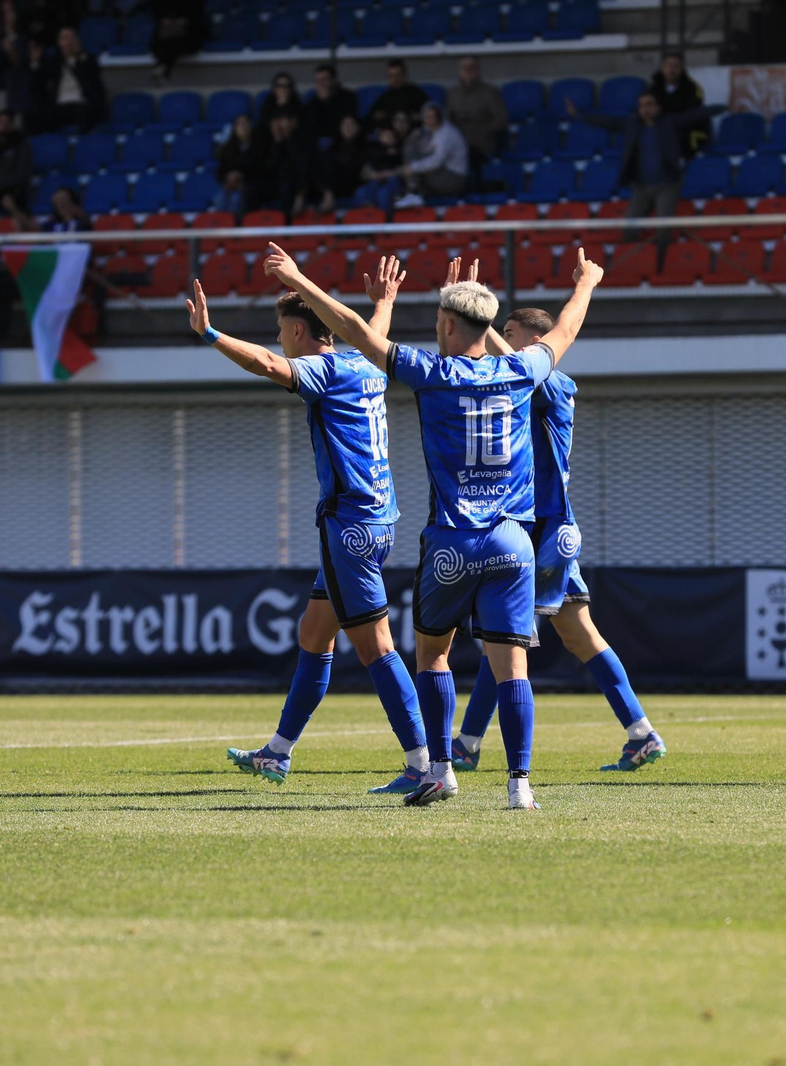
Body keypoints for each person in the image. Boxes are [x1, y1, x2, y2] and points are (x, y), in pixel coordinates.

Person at [263, 241, 606, 809]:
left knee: (432, 654)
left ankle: (439, 770)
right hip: (513, 542)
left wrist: (300, 281)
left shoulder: (431, 373)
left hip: (451, 541)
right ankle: (519, 786)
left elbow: (352, 329)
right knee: (512, 665)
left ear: (446, 323)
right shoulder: (521, 369)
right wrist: (587, 282)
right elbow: (564, 331)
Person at [198, 261, 432, 794]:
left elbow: (265, 365)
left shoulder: (323, 372)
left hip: (348, 525)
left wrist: (210, 334)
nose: (280, 342)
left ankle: (424, 766)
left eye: (283, 333)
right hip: (378, 519)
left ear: (299, 332)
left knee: (375, 647)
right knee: (314, 634)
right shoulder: (365, 363)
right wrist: (385, 300)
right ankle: (278, 753)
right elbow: (375, 332)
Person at [451, 291, 666, 774]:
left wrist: (475, 321)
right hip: (545, 529)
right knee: (579, 635)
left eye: (507, 333)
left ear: (538, 341)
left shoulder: (553, 382)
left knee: (505, 636)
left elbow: (523, 366)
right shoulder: (522, 387)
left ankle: (466, 742)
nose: (501, 342)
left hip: (544, 530)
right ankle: (642, 734)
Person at [568, 92, 692, 243]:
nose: (645, 108)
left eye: (649, 104)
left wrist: (724, 107)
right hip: (642, 187)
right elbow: (607, 121)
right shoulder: (632, 125)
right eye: (642, 105)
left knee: (664, 229)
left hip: (667, 185)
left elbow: (696, 116)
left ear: (658, 107)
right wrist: (578, 114)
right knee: (629, 226)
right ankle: (636, 261)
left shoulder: (669, 123)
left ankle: (663, 263)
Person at [33, 26, 106, 133]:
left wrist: (77, 56)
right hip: (59, 106)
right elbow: (37, 81)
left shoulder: (87, 58)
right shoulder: (53, 62)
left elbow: (93, 74)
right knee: (34, 116)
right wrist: (36, 63)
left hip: (80, 104)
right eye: (64, 38)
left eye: (70, 38)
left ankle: (84, 143)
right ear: (59, 43)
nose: (67, 42)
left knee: (84, 114)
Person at [398, 102, 468, 204]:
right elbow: (425, 152)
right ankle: (413, 193)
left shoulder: (446, 133)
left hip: (454, 179)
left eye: (432, 117)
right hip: (443, 174)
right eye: (426, 117)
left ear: (439, 117)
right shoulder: (433, 131)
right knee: (411, 152)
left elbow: (436, 161)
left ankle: (414, 194)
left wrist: (412, 167)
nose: (429, 121)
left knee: (414, 165)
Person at [446, 56, 507, 171]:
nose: (468, 71)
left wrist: (485, 132)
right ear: (460, 71)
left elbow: (501, 120)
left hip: (482, 142)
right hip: (458, 140)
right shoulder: (453, 94)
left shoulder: (490, 92)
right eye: (464, 67)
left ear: (477, 70)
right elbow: (447, 120)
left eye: (472, 67)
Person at [649, 51, 710, 156]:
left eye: (676, 66)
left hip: (684, 134)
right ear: (662, 67)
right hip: (659, 132)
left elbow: (693, 115)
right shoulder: (652, 89)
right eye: (668, 65)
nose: (672, 69)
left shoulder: (693, 89)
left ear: (682, 68)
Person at [252, 112, 311, 218]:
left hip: (293, 185)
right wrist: (277, 143)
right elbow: (267, 170)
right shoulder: (266, 142)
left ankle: (286, 225)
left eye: (283, 126)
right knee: (252, 188)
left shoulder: (299, 142)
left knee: (286, 187)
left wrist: (300, 194)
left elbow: (301, 166)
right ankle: (255, 222)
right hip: (272, 183)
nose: (279, 128)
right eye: (276, 125)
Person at [317, 113, 367, 212]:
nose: (348, 127)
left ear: (358, 128)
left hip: (353, 183)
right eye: (344, 124)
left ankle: (328, 197)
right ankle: (328, 195)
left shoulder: (365, 147)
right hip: (333, 184)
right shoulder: (332, 147)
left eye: (351, 124)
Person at [147, 0, 208, 80]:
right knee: (167, 42)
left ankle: (163, 67)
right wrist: (167, 21)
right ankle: (164, 68)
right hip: (165, 36)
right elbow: (158, 14)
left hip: (190, 36)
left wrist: (183, 21)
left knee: (173, 42)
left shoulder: (194, 5)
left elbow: (197, 16)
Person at [364, 58, 429, 130]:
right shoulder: (385, 97)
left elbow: (428, 115)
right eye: (391, 76)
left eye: (398, 75)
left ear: (404, 75)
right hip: (391, 136)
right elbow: (371, 118)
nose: (395, 79)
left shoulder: (416, 94)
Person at [214, 113, 257, 216]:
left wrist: (240, 176)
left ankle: (236, 227)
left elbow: (259, 169)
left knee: (236, 199)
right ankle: (223, 227)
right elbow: (221, 170)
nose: (242, 127)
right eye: (239, 124)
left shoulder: (258, 146)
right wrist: (228, 177)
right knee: (219, 198)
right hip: (229, 186)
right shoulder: (228, 148)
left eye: (245, 123)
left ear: (250, 126)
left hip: (248, 185)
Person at [304, 63, 356, 147]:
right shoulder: (312, 103)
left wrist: (327, 100)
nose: (320, 83)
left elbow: (346, 120)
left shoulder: (348, 97)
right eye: (318, 80)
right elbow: (310, 126)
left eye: (324, 79)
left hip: (342, 142)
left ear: (333, 80)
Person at [254, 71, 303, 152]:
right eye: (280, 86)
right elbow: (262, 126)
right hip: (270, 145)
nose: (283, 89)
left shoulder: (297, 104)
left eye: (287, 86)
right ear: (274, 89)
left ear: (291, 89)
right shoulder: (268, 104)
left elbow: (300, 125)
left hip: (293, 146)